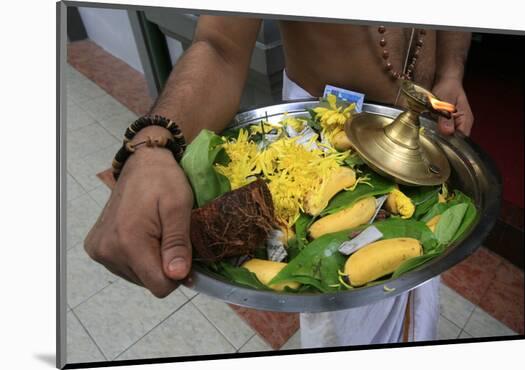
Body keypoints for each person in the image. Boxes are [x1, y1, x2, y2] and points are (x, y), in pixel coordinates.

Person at [84, 16, 474, 346]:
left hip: (419, 141)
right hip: (319, 146)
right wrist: (153, 146)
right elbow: (220, 46)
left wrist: (450, 73)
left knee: (416, 284)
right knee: (339, 329)